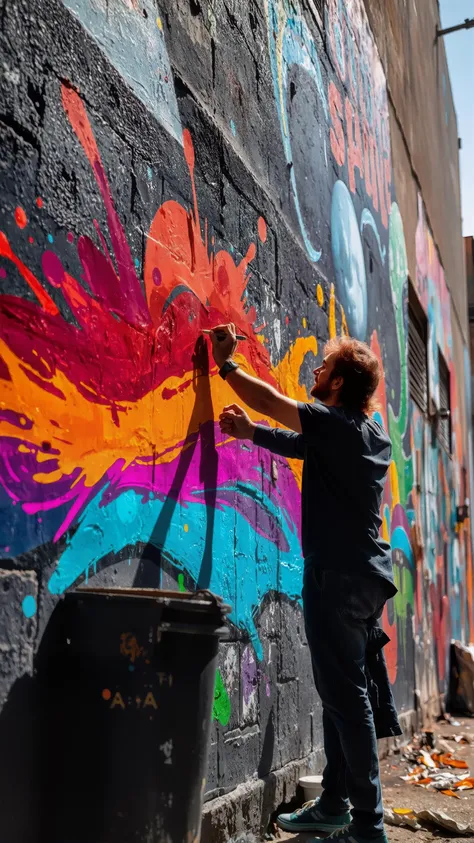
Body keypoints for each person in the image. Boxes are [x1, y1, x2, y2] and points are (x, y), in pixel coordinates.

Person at [207, 324, 401, 843]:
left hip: (335, 576)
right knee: (343, 692)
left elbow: (269, 401)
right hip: (364, 576)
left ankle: (368, 826)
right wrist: (252, 435)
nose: (316, 371)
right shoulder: (371, 431)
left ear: (337, 384)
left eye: (324, 367)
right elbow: (304, 444)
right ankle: (337, 803)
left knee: (346, 698)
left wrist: (226, 364)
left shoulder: (334, 424)